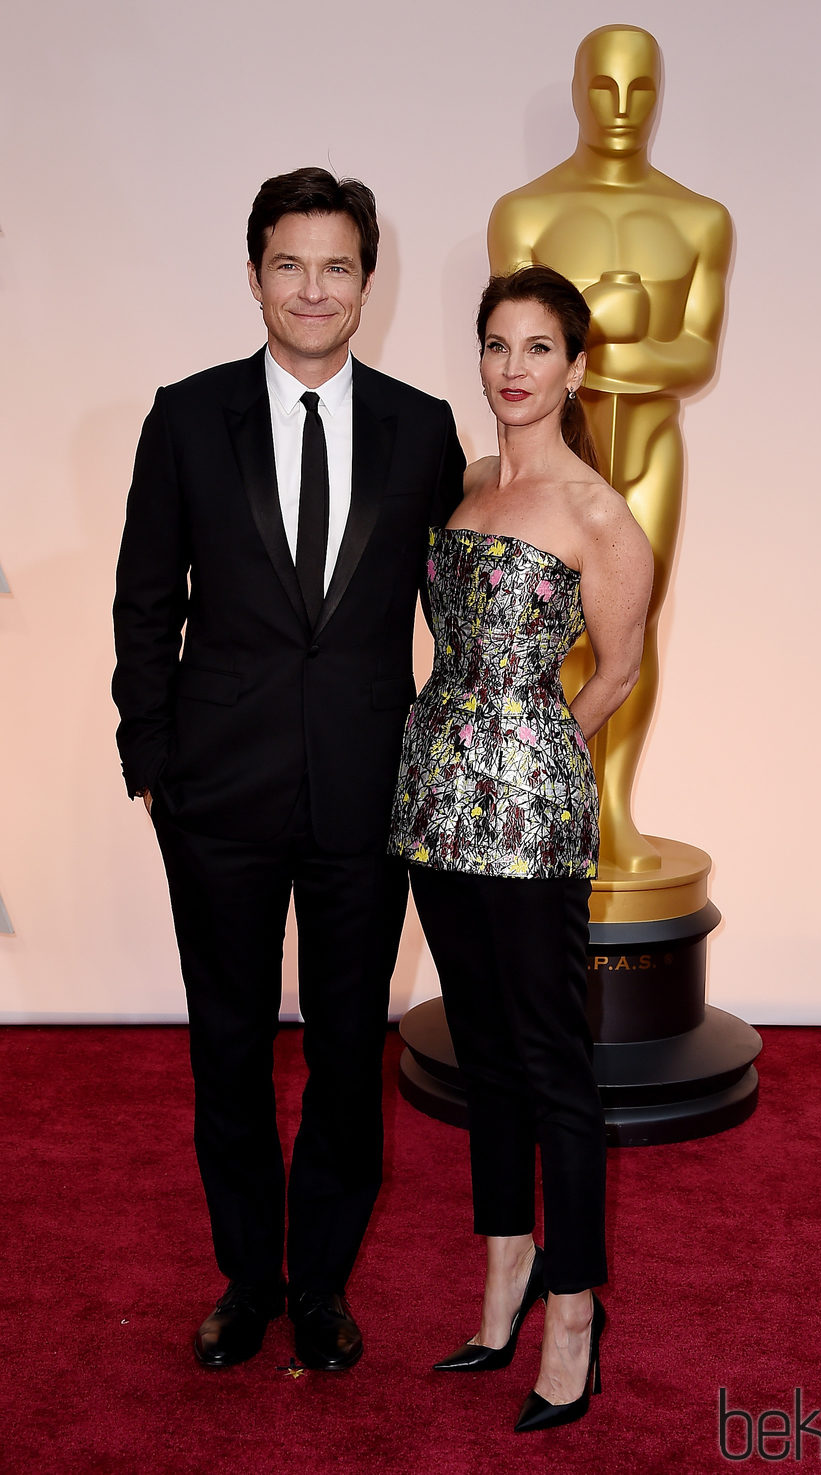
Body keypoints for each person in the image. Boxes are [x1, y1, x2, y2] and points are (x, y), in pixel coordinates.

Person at [112, 168, 464, 1371]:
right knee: (225, 1043)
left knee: (344, 1042)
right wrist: (151, 758)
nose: (313, 289)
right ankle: (246, 1277)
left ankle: (319, 1280)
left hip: (367, 792)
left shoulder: (421, 429)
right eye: (289, 264)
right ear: (255, 272)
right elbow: (144, 603)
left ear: (368, 281)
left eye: (337, 266)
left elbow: (457, 611)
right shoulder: (185, 416)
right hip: (215, 792)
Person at [389, 266, 653, 1431]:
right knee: (482, 1048)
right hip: (430, 806)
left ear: (575, 366)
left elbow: (619, 669)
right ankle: (498, 1283)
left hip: (529, 815)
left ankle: (572, 1314)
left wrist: (537, 744)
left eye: (536, 347)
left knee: (552, 1063)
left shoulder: (600, 514)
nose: (511, 367)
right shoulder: (466, 482)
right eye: (496, 344)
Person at [489, 24, 732, 880]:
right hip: (563, 457)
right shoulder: (527, 213)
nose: (623, 108)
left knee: (633, 631)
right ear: (576, 91)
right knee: (543, 632)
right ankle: (559, 797)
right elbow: (515, 339)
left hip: (651, 452)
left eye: (641, 90)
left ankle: (612, 807)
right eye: (604, 88)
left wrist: (602, 330)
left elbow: (697, 352)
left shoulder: (700, 218)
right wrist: (616, 318)